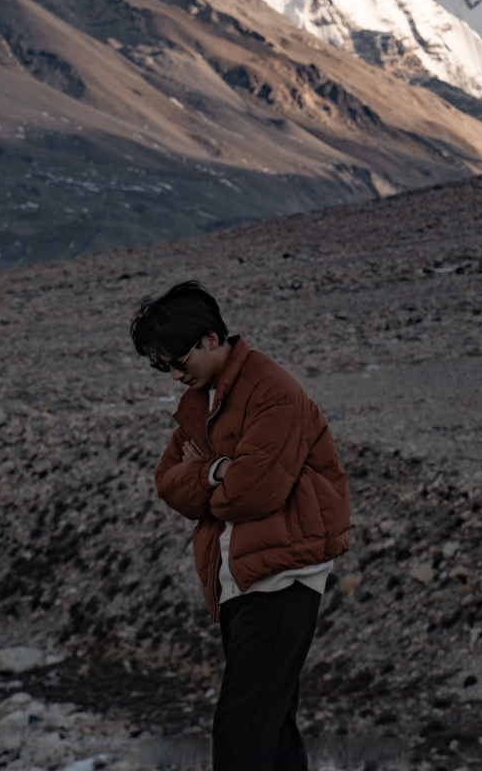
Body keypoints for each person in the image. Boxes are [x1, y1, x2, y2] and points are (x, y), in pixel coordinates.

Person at [130, 280, 350, 771]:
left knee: (241, 731)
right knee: (270, 728)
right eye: (162, 366)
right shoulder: (202, 399)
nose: (172, 375)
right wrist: (216, 468)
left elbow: (254, 493)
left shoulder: (273, 391)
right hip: (238, 577)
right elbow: (168, 483)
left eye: (177, 362)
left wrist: (207, 470)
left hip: (282, 577)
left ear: (211, 339)